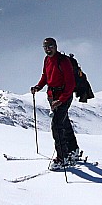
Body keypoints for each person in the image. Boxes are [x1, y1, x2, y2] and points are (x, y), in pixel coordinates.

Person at [31, 37, 81, 170]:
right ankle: (73, 150)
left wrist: (61, 100)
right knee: (63, 122)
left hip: (62, 97)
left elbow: (71, 84)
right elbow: (45, 76)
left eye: (50, 46)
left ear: (56, 46)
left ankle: (62, 157)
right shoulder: (47, 60)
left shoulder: (63, 61)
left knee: (57, 126)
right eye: (45, 47)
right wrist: (38, 87)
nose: (48, 49)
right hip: (52, 96)